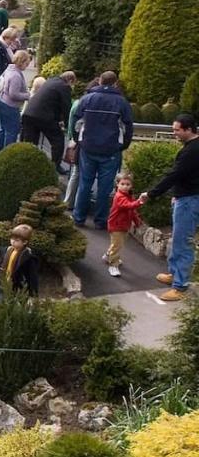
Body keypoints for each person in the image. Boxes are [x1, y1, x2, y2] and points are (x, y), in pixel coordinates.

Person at [140, 113, 199, 301]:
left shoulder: (191, 151)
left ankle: (180, 286)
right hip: (184, 197)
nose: (174, 133)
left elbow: (175, 174)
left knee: (183, 242)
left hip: (189, 201)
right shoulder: (191, 147)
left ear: (189, 130)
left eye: (176, 130)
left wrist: (151, 193)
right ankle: (174, 273)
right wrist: (176, 194)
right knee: (177, 238)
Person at [72, 70, 134, 230]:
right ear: (115, 83)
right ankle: (100, 221)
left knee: (85, 183)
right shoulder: (121, 102)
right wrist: (124, 145)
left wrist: (78, 140)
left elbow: (76, 121)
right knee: (104, 187)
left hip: (88, 147)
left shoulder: (87, 99)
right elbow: (128, 126)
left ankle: (79, 217)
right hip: (111, 150)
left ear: (100, 81)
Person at [22, 71, 76, 171]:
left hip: (29, 113)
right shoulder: (64, 87)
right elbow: (66, 108)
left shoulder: (50, 81)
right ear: (70, 80)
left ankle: (27, 165)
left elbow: (51, 102)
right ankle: (55, 166)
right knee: (58, 141)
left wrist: (59, 119)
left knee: (30, 143)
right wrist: (68, 127)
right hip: (44, 117)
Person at [105, 172, 144, 278]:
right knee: (117, 245)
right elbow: (128, 206)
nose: (125, 186)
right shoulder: (119, 197)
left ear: (131, 185)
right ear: (117, 184)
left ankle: (108, 255)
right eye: (122, 184)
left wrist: (136, 221)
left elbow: (132, 211)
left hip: (123, 225)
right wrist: (139, 202)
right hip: (116, 225)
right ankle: (113, 265)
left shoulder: (128, 196)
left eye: (128, 184)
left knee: (116, 244)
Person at [0, 49, 31, 152]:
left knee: (3, 129)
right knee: (11, 132)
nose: (27, 66)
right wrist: (28, 95)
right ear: (21, 62)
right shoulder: (16, 76)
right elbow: (14, 94)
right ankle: (7, 155)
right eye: (26, 63)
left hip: (2, 101)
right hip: (10, 106)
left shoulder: (10, 69)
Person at [0, 224, 40, 297]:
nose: (13, 242)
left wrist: (32, 292)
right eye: (12, 239)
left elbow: (32, 276)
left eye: (17, 240)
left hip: (17, 288)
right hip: (4, 284)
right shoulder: (7, 251)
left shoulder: (28, 257)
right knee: (2, 304)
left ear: (25, 242)